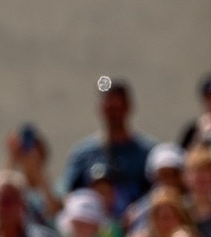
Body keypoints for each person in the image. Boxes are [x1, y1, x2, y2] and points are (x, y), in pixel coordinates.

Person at [64, 77, 153, 215]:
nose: (113, 115)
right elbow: (68, 196)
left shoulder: (147, 153)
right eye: (109, 108)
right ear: (100, 109)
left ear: (128, 108)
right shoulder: (83, 154)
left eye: (118, 108)